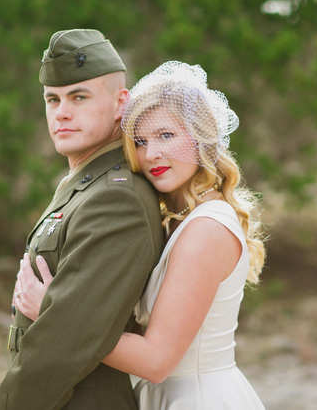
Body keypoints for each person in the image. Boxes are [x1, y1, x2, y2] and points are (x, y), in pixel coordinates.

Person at [14, 61, 267, 409]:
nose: (152, 154)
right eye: (140, 141)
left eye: (166, 135)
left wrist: (54, 312)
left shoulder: (206, 229)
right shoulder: (176, 220)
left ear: (201, 137)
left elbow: (156, 361)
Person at [0, 29, 164, 409]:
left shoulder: (117, 199)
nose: (61, 112)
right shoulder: (86, 183)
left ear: (121, 103)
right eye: (53, 99)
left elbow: (61, 347)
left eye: (79, 97)